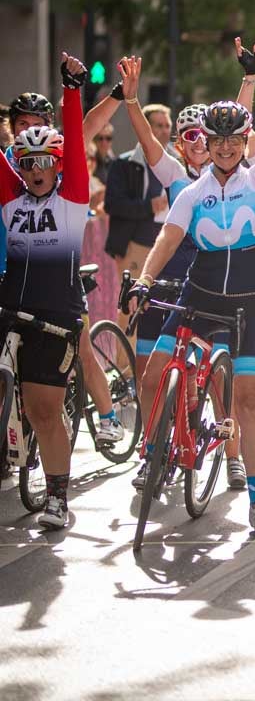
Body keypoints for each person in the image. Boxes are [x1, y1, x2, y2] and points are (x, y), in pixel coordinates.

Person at [125, 39, 255, 535]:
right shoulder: (192, 191)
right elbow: (169, 238)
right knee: (153, 374)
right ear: (206, 145)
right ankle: (152, 453)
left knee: (248, 404)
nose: (227, 147)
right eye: (217, 141)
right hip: (201, 296)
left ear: (244, 139)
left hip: (254, 301)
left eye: (235, 139)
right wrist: (146, 280)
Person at [0, 54, 91, 528]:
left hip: (55, 314)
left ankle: (57, 495)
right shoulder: (12, 197)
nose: (35, 170)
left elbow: (75, 147)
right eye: (26, 162)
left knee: (43, 409)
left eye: (45, 162)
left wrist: (72, 91)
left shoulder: (73, 196)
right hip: (10, 307)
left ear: (56, 166)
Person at [103, 104, 172, 335]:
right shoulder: (124, 164)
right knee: (131, 307)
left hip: (168, 248)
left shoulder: (177, 163)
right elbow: (113, 204)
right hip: (135, 246)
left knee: (160, 309)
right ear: (145, 128)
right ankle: (124, 366)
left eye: (167, 126)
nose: (163, 131)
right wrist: (148, 207)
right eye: (158, 126)